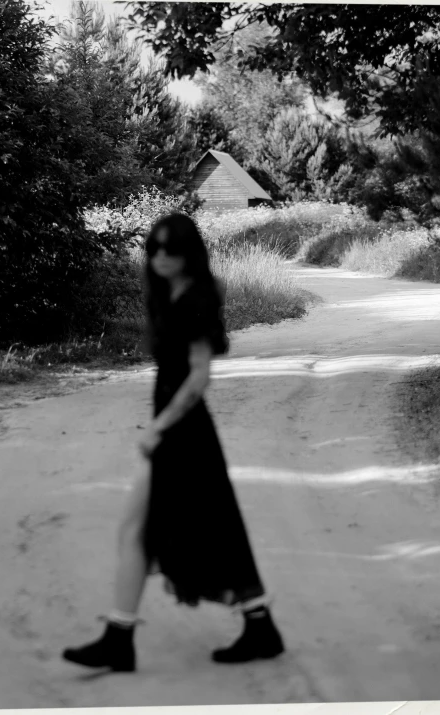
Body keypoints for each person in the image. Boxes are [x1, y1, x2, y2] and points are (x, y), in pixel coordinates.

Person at [62, 213, 285, 672]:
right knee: (184, 528)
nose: (161, 256)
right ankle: (256, 626)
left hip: (184, 432)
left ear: (189, 253)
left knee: (154, 529)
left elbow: (199, 377)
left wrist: (158, 429)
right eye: (154, 248)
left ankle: (120, 639)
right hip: (176, 429)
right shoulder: (171, 295)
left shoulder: (199, 297)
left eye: (172, 249)